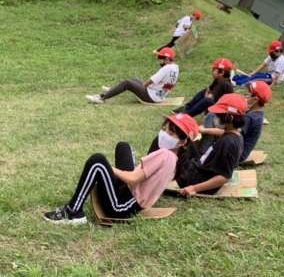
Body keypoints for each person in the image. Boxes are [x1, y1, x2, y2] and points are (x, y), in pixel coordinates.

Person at [43, 114, 199, 225]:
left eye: (171, 133)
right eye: (164, 129)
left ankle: (73, 212)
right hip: (130, 193)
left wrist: (109, 168)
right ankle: (113, 171)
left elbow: (133, 179)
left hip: (122, 206)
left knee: (97, 161)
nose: (164, 134)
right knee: (123, 147)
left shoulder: (164, 154)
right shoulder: (175, 160)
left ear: (183, 142)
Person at [175, 93, 247, 197]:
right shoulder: (235, 134)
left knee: (175, 142)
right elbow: (221, 132)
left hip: (196, 180)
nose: (216, 117)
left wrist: (193, 188)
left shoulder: (228, 143)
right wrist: (203, 131)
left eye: (218, 115)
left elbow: (224, 177)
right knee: (187, 140)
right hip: (201, 166)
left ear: (230, 118)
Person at [199, 81, 271, 163]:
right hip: (236, 146)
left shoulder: (251, 118)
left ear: (255, 99)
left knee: (211, 116)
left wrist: (204, 130)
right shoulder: (255, 113)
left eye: (248, 94)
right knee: (213, 116)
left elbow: (231, 132)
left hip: (237, 154)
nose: (245, 96)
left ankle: (203, 152)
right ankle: (205, 150)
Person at [86, 48, 179, 104]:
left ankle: (102, 98)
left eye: (161, 58)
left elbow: (151, 80)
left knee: (127, 83)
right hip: (160, 95)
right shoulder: (175, 68)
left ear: (167, 59)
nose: (159, 60)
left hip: (152, 96)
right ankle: (112, 90)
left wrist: (143, 86)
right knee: (135, 80)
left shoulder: (165, 68)